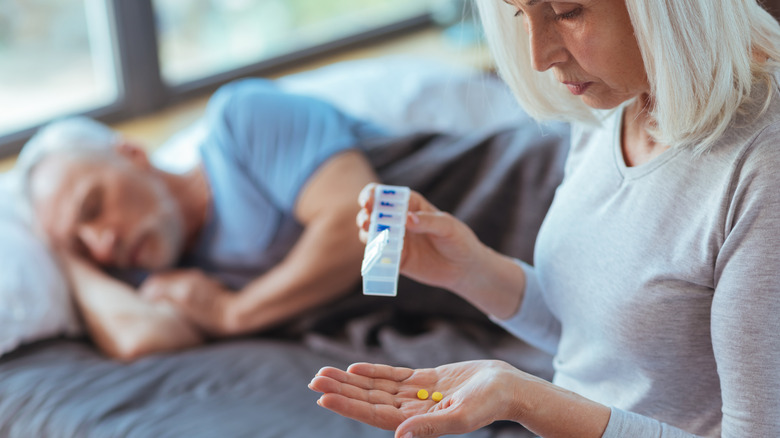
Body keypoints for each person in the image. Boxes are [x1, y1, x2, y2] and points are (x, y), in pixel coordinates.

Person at [309, 0, 780, 437]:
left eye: (566, 11)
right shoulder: (617, 105)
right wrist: (469, 270)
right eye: (519, 14)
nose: (538, 56)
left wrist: (524, 399)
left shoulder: (763, 168)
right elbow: (597, 341)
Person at [19, 77, 569, 364]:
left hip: (541, 194)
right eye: (81, 241)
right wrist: (65, 259)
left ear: (132, 155)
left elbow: (372, 231)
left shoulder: (241, 123)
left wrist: (234, 312)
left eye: (93, 207)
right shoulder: (158, 271)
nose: (102, 240)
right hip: (502, 299)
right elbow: (146, 339)